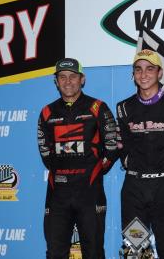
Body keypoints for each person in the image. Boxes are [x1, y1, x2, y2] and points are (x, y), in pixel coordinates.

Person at [37, 58, 118, 259]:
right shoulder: (47, 112)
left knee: (93, 253)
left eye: (73, 76)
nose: (68, 82)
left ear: (82, 79)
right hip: (58, 196)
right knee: (55, 253)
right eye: (62, 77)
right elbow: (45, 153)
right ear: (56, 81)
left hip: (90, 193)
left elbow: (112, 147)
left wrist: (94, 170)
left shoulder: (98, 108)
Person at [116, 49, 164, 259]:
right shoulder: (124, 108)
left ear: (160, 73)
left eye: (150, 69)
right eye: (138, 69)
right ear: (133, 74)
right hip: (134, 192)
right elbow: (122, 147)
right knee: (135, 250)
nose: (143, 74)